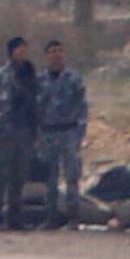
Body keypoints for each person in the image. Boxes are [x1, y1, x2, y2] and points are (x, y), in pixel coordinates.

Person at [0, 36, 40, 230]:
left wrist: (35, 131)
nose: (21, 52)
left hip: (24, 131)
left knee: (20, 176)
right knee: (2, 174)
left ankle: (15, 217)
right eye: (18, 49)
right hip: (5, 132)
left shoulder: (30, 75)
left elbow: (35, 104)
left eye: (24, 48)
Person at [36, 37, 89, 227]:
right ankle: (51, 216)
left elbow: (82, 106)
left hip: (69, 132)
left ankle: (73, 216)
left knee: (72, 176)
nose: (57, 55)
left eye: (60, 51)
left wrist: (80, 132)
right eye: (53, 51)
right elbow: (35, 109)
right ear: (46, 56)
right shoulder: (39, 80)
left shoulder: (73, 79)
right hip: (48, 133)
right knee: (50, 177)